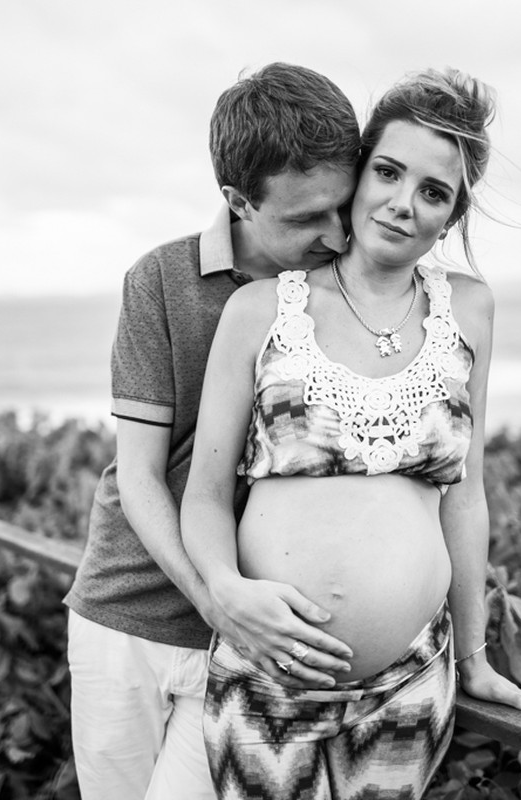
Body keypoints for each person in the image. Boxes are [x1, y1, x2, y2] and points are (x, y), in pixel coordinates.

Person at [180, 67, 521, 800]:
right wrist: (223, 590)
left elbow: (465, 496)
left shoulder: (470, 310)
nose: (404, 204)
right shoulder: (258, 311)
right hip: (267, 681)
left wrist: (474, 657)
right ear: (359, 173)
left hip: (410, 685)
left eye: (434, 192)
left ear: (453, 214)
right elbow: (207, 496)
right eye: (389, 172)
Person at [63, 63, 363, 800]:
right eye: (303, 219)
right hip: (127, 612)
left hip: (254, 640)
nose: (333, 236)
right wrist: (214, 598)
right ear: (237, 201)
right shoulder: (161, 281)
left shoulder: (354, 288)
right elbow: (137, 474)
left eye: (342, 209)